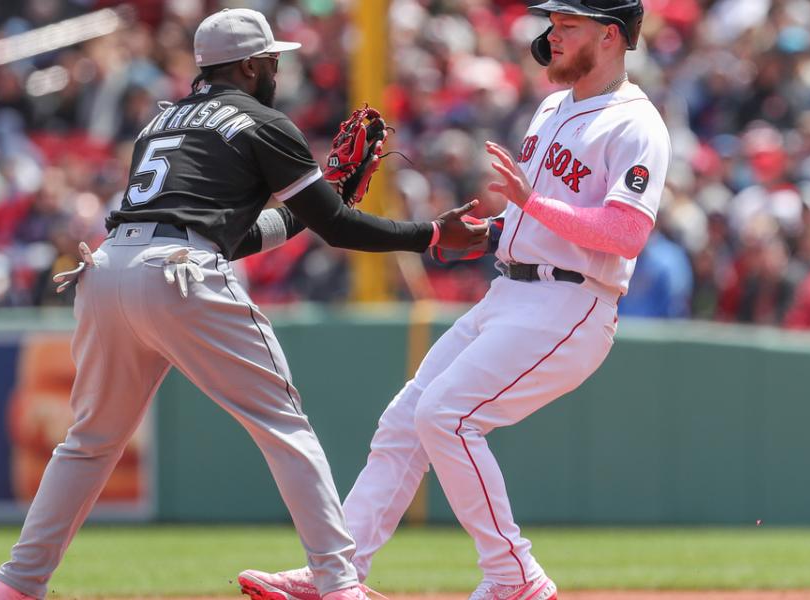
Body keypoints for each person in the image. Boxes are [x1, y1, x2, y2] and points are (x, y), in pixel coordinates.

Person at [0, 8, 486, 600]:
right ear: (249, 64)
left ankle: (15, 587)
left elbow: (231, 232)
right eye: (271, 59)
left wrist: (315, 208)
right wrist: (429, 234)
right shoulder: (262, 120)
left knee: (89, 443)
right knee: (284, 427)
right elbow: (339, 229)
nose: (277, 68)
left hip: (108, 269)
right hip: (178, 275)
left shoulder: (162, 120)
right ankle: (339, 585)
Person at [237, 1, 669, 599]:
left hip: (572, 303)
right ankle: (336, 573)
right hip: (511, 289)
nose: (554, 35)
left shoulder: (636, 123)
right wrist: (486, 234)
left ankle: (515, 576)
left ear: (612, 36)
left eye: (569, 25)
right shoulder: (552, 107)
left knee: (448, 418)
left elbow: (627, 233)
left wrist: (532, 206)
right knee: (404, 421)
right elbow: (539, 222)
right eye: (555, 24)